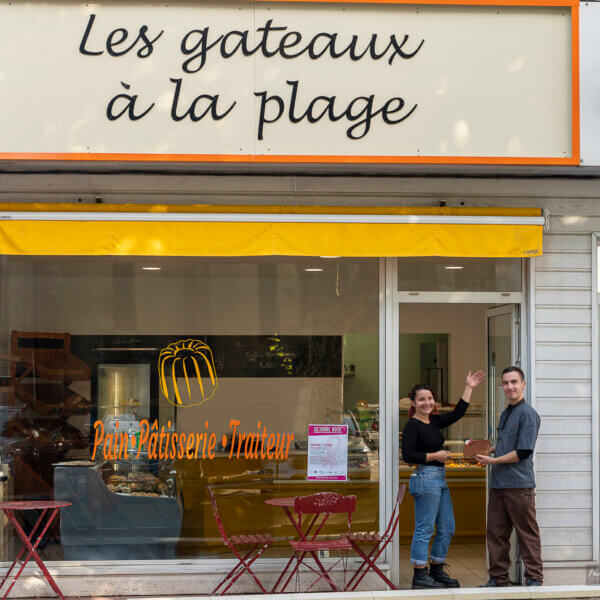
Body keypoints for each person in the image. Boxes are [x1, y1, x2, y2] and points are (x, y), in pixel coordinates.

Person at [402, 370, 485, 589]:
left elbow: (457, 413)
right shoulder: (412, 425)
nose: (427, 402)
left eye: (430, 398)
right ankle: (420, 575)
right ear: (413, 402)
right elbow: (408, 455)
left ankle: (436, 569)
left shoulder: (434, 421)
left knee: (447, 527)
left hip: (439, 479)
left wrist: (469, 387)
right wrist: (434, 456)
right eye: (422, 399)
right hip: (425, 478)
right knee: (425, 528)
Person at [476, 365, 542, 587]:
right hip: (499, 485)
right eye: (505, 383)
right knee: (496, 534)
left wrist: (493, 461)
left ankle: (534, 578)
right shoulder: (506, 413)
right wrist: (490, 450)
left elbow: (523, 452)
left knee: (526, 533)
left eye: (514, 382)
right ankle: (498, 577)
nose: (509, 387)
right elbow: (508, 447)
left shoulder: (528, 414)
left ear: (523, 384)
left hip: (519, 486)